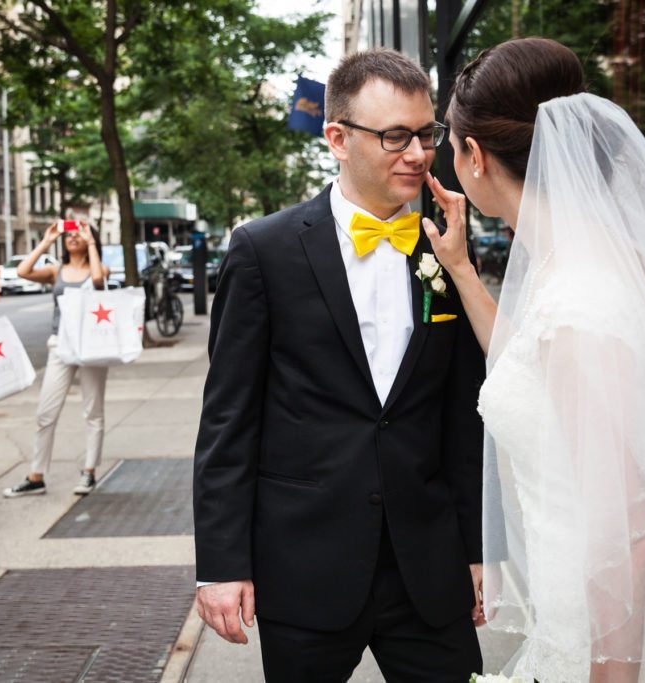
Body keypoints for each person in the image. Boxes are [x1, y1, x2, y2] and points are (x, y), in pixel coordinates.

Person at [423, 38, 645, 681]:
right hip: (585, 611)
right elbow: (532, 362)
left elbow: (626, 523)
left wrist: (612, 672)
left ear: (473, 155)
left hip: (618, 639)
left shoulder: (580, 301)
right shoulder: (577, 266)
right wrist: (462, 270)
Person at [193, 49, 486, 682]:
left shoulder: (448, 247)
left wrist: (478, 547)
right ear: (337, 138)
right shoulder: (261, 251)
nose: (417, 153)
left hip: (428, 568)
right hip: (304, 564)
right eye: (394, 136)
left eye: (426, 134)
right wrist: (220, 564)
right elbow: (228, 421)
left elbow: (464, 412)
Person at [3, 221, 109, 498]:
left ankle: (89, 471)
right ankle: (36, 475)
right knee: (45, 412)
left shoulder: (98, 267)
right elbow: (22, 271)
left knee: (93, 411)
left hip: (91, 346)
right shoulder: (56, 271)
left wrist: (92, 243)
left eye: (79, 234)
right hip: (60, 344)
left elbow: (98, 280)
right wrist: (47, 240)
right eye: (70, 234)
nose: (73, 237)